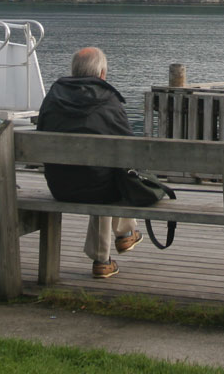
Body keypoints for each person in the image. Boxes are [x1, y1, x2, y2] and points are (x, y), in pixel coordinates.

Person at [35, 46, 142, 278]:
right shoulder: (108, 100)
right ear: (102, 74)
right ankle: (123, 235)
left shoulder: (53, 96)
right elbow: (130, 147)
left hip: (60, 185)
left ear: (74, 71)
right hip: (99, 188)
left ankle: (109, 253)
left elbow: (40, 132)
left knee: (97, 172)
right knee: (106, 175)